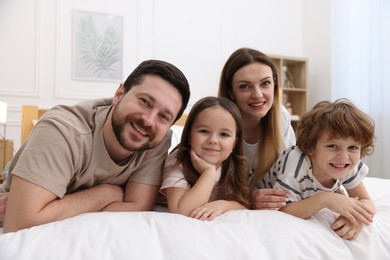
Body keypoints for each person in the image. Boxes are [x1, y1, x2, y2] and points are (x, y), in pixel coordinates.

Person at [0, 59, 190, 232]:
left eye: (164, 117)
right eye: (145, 102)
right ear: (119, 94)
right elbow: (19, 225)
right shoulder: (62, 131)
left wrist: (61, 205)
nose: (149, 121)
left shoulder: (156, 140)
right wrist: (106, 194)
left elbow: (138, 206)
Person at [262, 99, 376, 240]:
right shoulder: (295, 165)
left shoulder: (349, 163)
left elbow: (366, 201)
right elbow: (283, 210)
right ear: (311, 147)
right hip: (263, 202)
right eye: (332, 146)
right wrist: (326, 199)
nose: (343, 156)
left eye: (353, 147)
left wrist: (356, 218)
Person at [218, 47, 295, 210]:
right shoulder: (216, 123)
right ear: (231, 92)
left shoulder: (281, 117)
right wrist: (248, 201)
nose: (258, 94)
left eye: (265, 83)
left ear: (274, 84)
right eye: (245, 86)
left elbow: (291, 173)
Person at [160, 96, 251, 220]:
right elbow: (181, 210)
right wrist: (208, 173)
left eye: (224, 134)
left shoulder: (234, 165)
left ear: (234, 144)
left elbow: (245, 206)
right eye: (204, 131)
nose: (213, 140)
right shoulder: (178, 160)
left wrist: (223, 205)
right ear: (189, 136)